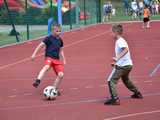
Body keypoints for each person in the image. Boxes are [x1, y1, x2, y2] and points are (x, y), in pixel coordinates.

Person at [104, 24, 143, 105]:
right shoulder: (121, 40)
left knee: (111, 81)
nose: (110, 34)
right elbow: (124, 54)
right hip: (128, 65)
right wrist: (115, 63)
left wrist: (117, 58)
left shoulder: (120, 41)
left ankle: (115, 99)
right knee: (126, 80)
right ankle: (137, 93)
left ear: (115, 33)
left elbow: (125, 50)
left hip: (123, 66)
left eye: (111, 32)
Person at [31, 23, 66, 94]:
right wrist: (34, 54)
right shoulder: (48, 38)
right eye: (57, 31)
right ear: (53, 31)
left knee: (61, 75)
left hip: (57, 60)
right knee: (46, 67)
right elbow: (40, 45)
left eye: (60, 31)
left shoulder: (60, 40)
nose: (59, 32)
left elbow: (61, 50)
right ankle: (38, 80)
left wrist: (64, 59)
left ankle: (54, 89)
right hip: (49, 57)